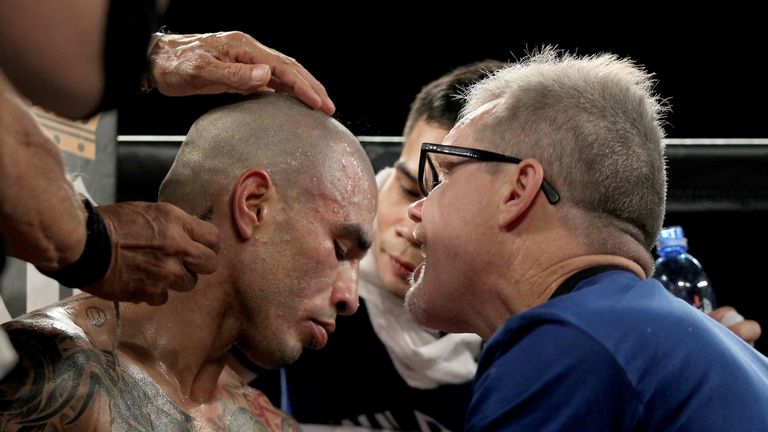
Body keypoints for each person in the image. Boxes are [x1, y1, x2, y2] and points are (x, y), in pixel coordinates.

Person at [275, 60, 763, 431]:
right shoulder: (635, 333)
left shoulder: (569, 344)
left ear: (517, 190)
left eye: (444, 174)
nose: (418, 211)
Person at [0, 94, 377, 430]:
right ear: (255, 206)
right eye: (342, 250)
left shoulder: (270, 425)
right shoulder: (47, 380)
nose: (351, 298)